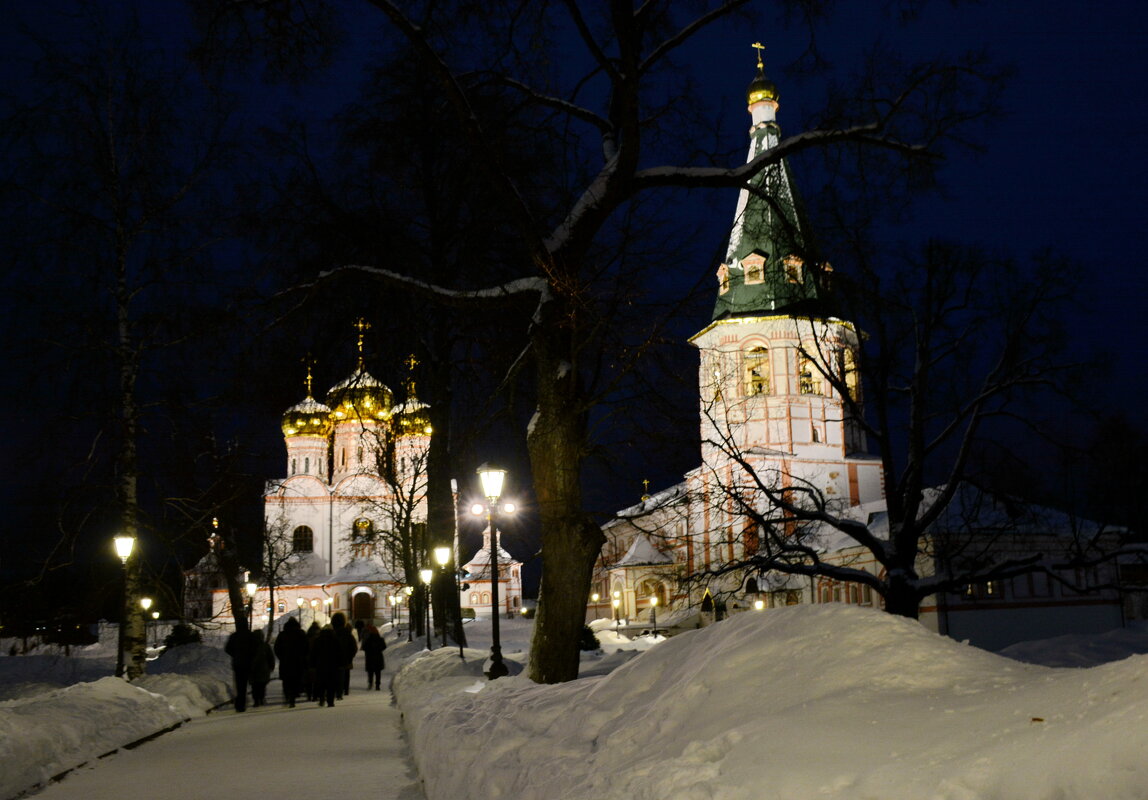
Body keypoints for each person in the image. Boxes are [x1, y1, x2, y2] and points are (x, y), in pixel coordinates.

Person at [274, 617, 309, 708]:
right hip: (298, 661)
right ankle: (293, 698)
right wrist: (303, 656)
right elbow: (307, 647)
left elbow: (276, 648)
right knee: (296, 679)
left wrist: (281, 657)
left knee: (286, 680)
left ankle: (287, 696)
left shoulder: (283, 634)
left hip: (286, 661)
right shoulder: (301, 633)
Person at [310, 624, 342, 707]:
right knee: (331, 684)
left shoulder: (318, 640)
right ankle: (330, 701)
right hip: (333, 665)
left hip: (320, 665)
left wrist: (313, 664)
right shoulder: (335, 640)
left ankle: (321, 699)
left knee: (321, 683)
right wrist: (340, 663)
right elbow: (340, 653)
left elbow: (313, 653)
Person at [225, 628, 253, 712]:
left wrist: (235, 655)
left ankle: (239, 704)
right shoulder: (250, 636)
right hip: (247, 663)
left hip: (237, 663)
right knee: (244, 684)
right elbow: (255, 648)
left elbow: (227, 649)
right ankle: (242, 703)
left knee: (239, 684)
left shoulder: (234, 636)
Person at [330, 612, 358, 697]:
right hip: (346, 659)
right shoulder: (348, 634)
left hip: (333, 659)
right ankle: (345, 689)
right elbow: (354, 647)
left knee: (334, 674)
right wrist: (350, 657)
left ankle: (336, 689)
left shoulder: (331, 634)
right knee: (346, 673)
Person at [249, 629, 276, 707]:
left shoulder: (250, 646)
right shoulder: (265, 645)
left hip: (253, 669)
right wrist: (271, 666)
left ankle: (256, 700)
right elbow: (271, 657)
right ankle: (261, 698)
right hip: (264, 669)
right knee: (262, 685)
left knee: (254, 685)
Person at [361, 625, 386, 690]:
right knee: (378, 672)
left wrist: (369, 650)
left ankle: (370, 683)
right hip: (378, 657)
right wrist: (378, 649)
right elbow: (384, 647)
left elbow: (364, 647)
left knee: (370, 672)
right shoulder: (380, 639)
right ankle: (377, 685)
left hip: (370, 658)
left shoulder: (368, 640)